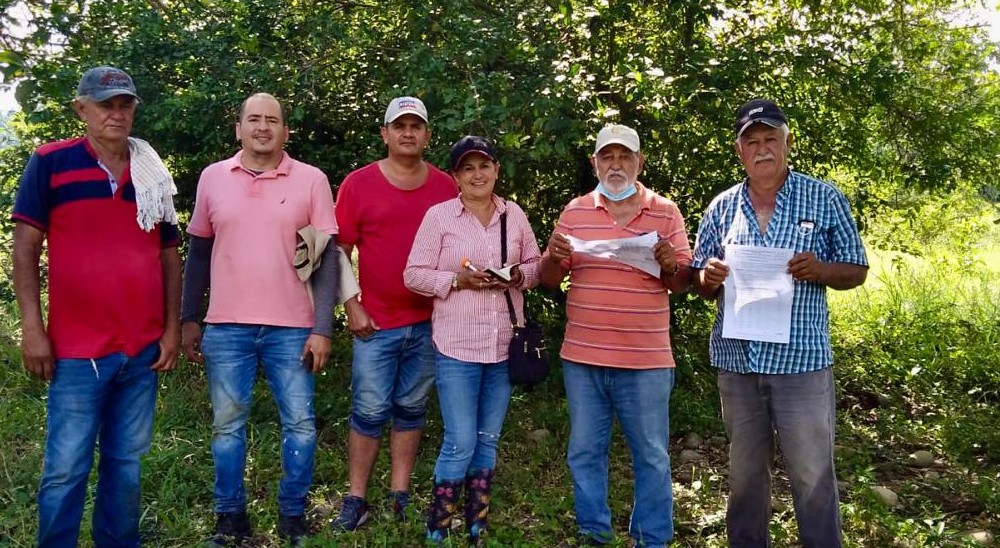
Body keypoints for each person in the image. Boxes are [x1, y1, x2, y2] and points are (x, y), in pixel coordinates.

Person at [11, 66, 181, 547]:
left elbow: (169, 255)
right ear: (81, 110)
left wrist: (170, 329)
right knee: (66, 468)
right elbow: (24, 248)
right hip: (76, 350)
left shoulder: (151, 172)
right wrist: (32, 326)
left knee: (126, 466)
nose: (117, 113)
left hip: (142, 349)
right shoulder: (51, 162)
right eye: (105, 104)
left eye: (125, 104)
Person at [691, 98, 868, 547]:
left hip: (802, 364)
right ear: (739, 151)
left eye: (771, 139)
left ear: (787, 143)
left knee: (811, 476)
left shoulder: (823, 197)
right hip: (739, 364)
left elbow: (858, 269)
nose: (762, 149)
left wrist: (821, 270)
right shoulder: (722, 207)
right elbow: (698, 278)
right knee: (746, 477)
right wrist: (706, 277)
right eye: (752, 141)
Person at [180, 92, 339, 546]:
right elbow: (199, 251)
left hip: (293, 327)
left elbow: (328, 259)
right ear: (239, 129)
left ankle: (293, 515)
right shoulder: (214, 177)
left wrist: (322, 327)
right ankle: (230, 517)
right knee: (227, 427)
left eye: (273, 120)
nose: (263, 127)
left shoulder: (311, 180)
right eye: (254, 119)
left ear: (286, 131)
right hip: (226, 326)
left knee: (301, 425)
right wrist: (189, 317)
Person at [539, 124, 692, 547]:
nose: (616, 164)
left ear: (640, 162)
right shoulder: (575, 211)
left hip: (645, 361)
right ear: (595, 163)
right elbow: (548, 278)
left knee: (652, 456)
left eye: (625, 156)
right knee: (585, 452)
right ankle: (593, 532)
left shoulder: (665, 211)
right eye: (608, 156)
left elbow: (681, 282)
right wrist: (553, 256)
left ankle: (652, 538)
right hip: (583, 358)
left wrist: (668, 264)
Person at [403, 136, 542, 544]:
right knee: (460, 439)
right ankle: (438, 526)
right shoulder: (440, 217)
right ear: (455, 177)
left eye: (484, 165)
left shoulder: (513, 215)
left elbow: (536, 267)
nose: (477, 174)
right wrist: (457, 280)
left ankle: (477, 524)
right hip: (455, 346)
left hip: (503, 345)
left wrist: (517, 275)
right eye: (468, 168)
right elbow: (413, 274)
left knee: (487, 439)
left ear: (496, 170)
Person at [330, 96, 457, 530]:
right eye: (398, 125)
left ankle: (400, 494)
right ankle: (356, 498)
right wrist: (351, 305)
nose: (407, 133)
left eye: (415, 126)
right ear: (384, 134)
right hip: (376, 323)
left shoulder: (446, 186)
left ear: (427, 135)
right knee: (367, 411)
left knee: (411, 408)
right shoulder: (359, 184)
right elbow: (339, 250)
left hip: (431, 321)